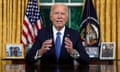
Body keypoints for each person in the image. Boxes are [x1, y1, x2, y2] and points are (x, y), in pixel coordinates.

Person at [25, 3, 89, 65]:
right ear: (51, 17)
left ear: (66, 18)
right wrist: (40, 52)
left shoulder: (75, 34)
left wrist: (73, 52)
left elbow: (86, 60)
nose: (59, 17)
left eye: (62, 14)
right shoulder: (42, 33)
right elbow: (28, 59)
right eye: (56, 13)